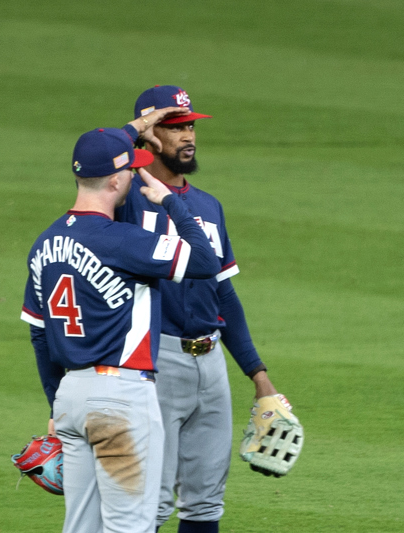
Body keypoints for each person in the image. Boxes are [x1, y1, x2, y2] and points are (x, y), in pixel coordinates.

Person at [20, 109, 222, 533]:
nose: (135, 176)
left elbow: (39, 336)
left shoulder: (45, 243)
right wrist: (170, 201)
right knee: (130, 527)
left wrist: (56, 403)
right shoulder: (124, 241)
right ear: (115, 182)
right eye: (131, 171)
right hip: (121, 400)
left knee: (81, 527)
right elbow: (205, 262)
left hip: (71, 399)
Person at [116, 85, 284, 533]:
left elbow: (223, 295)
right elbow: (99, 155)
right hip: (154, 364)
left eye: (190, 125)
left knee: (206, 503)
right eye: (174, 127)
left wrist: (259, 377)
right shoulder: (124, 199)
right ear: (150, 134)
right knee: (150, 504)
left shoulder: (208, 206)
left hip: (210, 366)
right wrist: (131, 134)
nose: (188, 135)